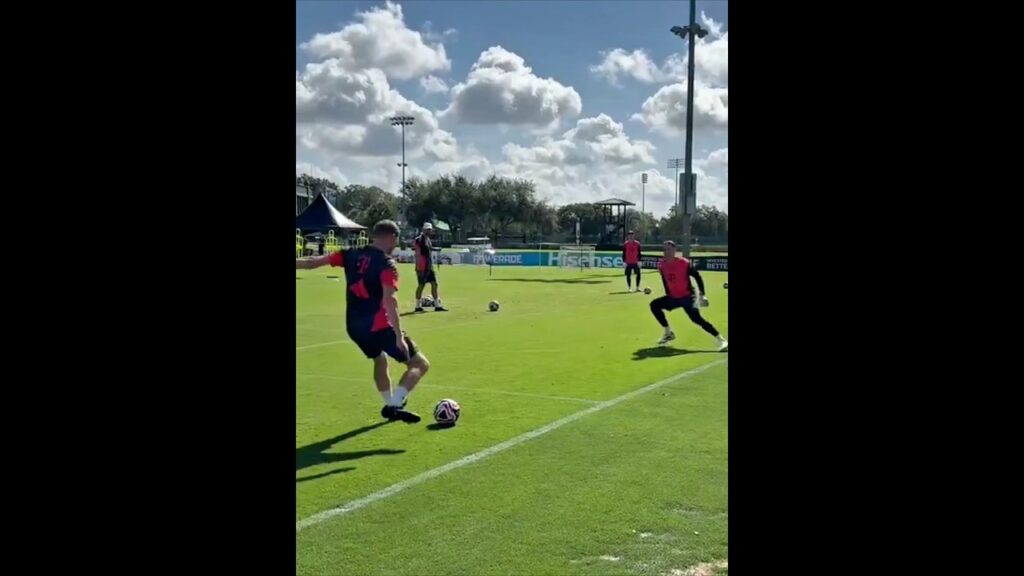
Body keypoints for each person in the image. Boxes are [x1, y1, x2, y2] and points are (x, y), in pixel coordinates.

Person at [296, 220, 427, 423]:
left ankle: (389, 402)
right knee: (419, 364)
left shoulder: (350, 254)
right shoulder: (386, 264)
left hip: (354, 327)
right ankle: (395, 404)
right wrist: (398, 335)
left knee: (379, 358)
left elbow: (313, 262)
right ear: (392, 237)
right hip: (380, 325)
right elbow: (389, 299)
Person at [650, 240, 728, 350]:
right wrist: (668, 294)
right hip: (673, 298)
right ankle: (668, 332)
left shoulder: (684, 263)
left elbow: (697, 276)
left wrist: (702, 295)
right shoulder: (662, 265)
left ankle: (722, 340)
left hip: (687, 297)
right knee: (654, 305)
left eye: (669, 249)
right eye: (665, 249)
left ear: (674, 250)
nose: (666, 252)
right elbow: (664, 280)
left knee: (697, 319)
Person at [413, 223, 448, 312]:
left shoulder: (428, 239)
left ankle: (437, 306)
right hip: (422, 266)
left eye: (430, 229)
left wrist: (436, 249)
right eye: (428, 229)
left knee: (434, 284)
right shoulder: (419, 239)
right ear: (424, 230)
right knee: (421, 285)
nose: (430, 231)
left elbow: (429, 250)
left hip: (429, 266)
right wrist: (418, 266)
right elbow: (417, 253)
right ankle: (417, 306)